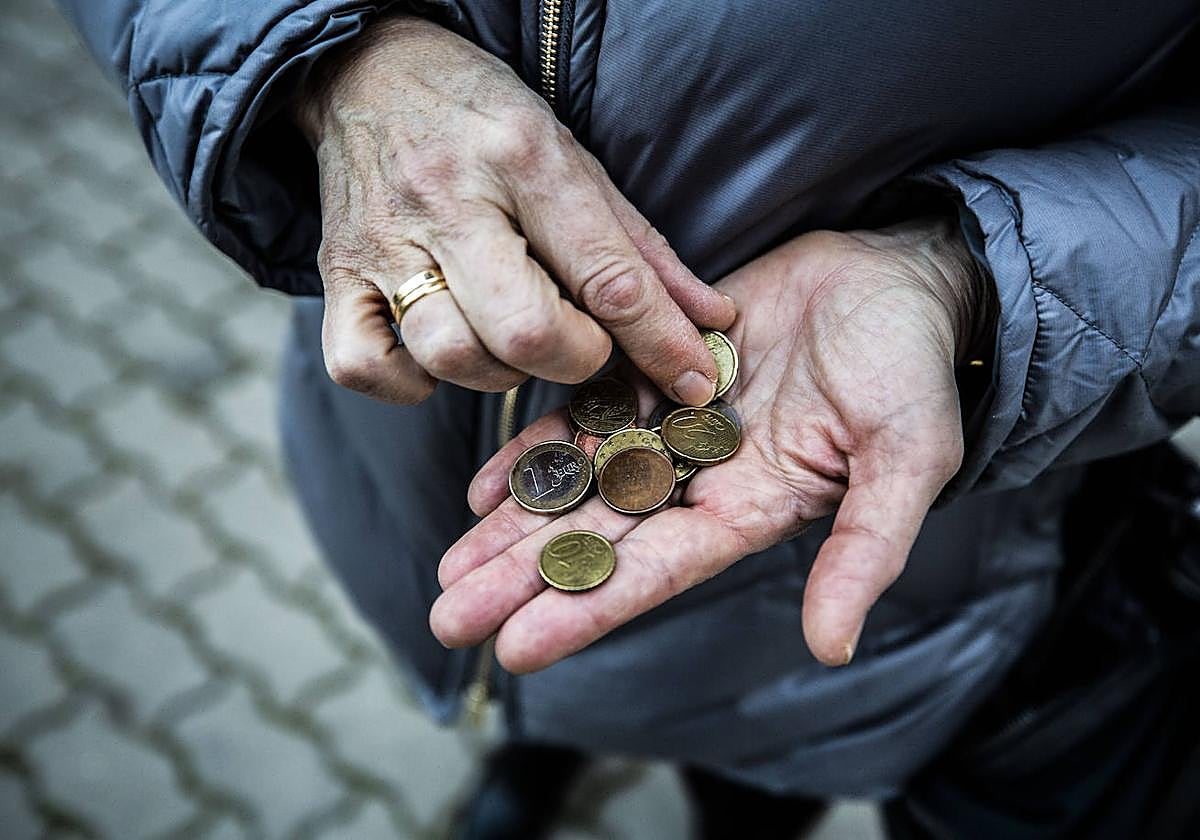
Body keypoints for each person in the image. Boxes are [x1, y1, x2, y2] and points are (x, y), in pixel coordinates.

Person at [58, 1, 1200, 837]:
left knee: (758, 759)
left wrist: (974, 278)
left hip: (839, 526)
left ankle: (728, 804)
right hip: (411, 452)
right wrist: (330, 59)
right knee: (522, 658)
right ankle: (533, 752)